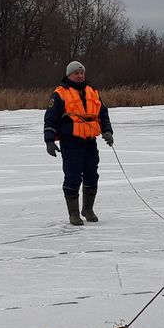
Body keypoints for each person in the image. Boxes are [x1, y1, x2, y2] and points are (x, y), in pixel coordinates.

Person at [44, 61, 114, 225]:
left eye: (82, 73)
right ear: (69, 75)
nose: (80, 75)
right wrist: (49, 140)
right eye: (76, 73)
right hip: (71, 142)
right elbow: (50, 118)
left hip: (90, 141)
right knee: (73, 176)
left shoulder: (93, 91)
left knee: (91, 175)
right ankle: (74, 213)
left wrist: (108, 131)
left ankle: (87, 209)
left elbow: (103, 113)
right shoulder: (59, 93)